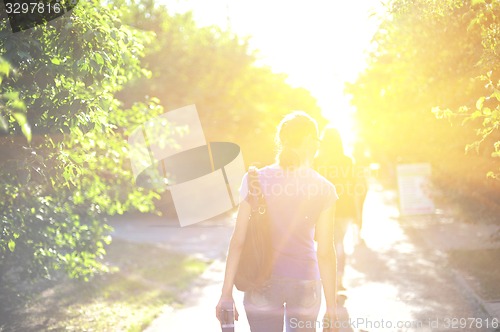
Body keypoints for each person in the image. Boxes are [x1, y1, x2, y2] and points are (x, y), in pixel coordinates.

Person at [216, 111, 339, 332]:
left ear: (282, 141)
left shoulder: (254, 180)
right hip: (305, 283)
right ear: (311, 142)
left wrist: (226, 295)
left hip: (261, 280)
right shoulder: (324, 188)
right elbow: (325, 252)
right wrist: (331, 307)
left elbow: (238, 241)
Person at [315, 127, 363, 291]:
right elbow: (354, 188)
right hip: (345, 210)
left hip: (322, 210)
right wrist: (357, 213)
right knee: (338, 243)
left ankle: (330, 279)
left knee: (327, 245)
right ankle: (338, 278)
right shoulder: (347, 161)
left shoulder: (317, 161)